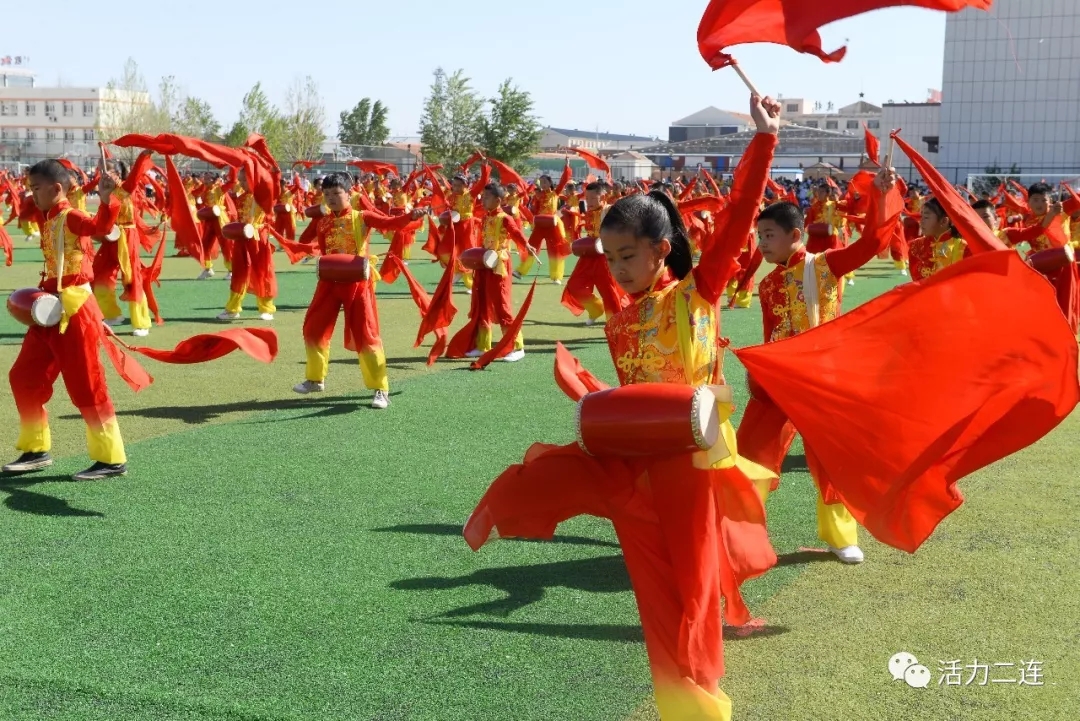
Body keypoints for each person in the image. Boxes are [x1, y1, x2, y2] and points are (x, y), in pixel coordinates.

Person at [463, 94, 785, 721]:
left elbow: (743, 214)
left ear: (661, 250)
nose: (618, 270)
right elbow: (631, 400)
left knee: (692, 590)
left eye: (628, 257)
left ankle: (702, 700)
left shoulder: (698, 294)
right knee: (653, 593)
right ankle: (681, 705)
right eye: (609, 259)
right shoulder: (621, 320)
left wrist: (764, 140)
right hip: (635, 470)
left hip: (691, 469)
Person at [735, 170, 900, 565]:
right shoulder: (768, 285)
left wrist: (881, 194)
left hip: (820, 380)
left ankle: (840, 535)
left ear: (796, 235)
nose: (763, 244)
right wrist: (758, 370)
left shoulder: (825, 266)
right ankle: (735, 530)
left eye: (769, 236)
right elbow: (771, 331)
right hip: (777, 380)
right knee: (751, 454)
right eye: (760, 237)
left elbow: (875, 241)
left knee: (832, 461)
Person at [4, 159, 127, 481]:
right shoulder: (50, 216)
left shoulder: (72, 215)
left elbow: (100, 230)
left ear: (56, 189)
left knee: (87, 385)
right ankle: (36, 450)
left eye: (35, 189)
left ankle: (110, 458)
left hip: (75, 310)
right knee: (24, 376)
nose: (30, 194)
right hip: (48, 309)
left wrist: (106, 198)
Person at [293, 173, 425, 408]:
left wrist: (410, 216)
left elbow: (390, 223)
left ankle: (380, 389)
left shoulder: (361, 217)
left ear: (349, 193)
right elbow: (314, 246)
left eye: (337, 194)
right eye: (327, 194)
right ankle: (315, 378)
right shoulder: (322, 222)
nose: (332, 199)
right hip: (329, 282)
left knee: (366, 334)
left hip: (357, 283)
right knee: (313, 328)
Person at [444, 183, 530, 362]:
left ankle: (517, 346)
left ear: (498, 200)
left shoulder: (504, 218)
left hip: (499, 265)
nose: (483, 200)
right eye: (483, 196)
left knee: (502, 306)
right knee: (481, 304)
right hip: (484, 262)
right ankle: (483, 345)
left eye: (487, 197)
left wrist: (526, 244)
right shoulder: (484, 218)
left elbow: (515, 231)